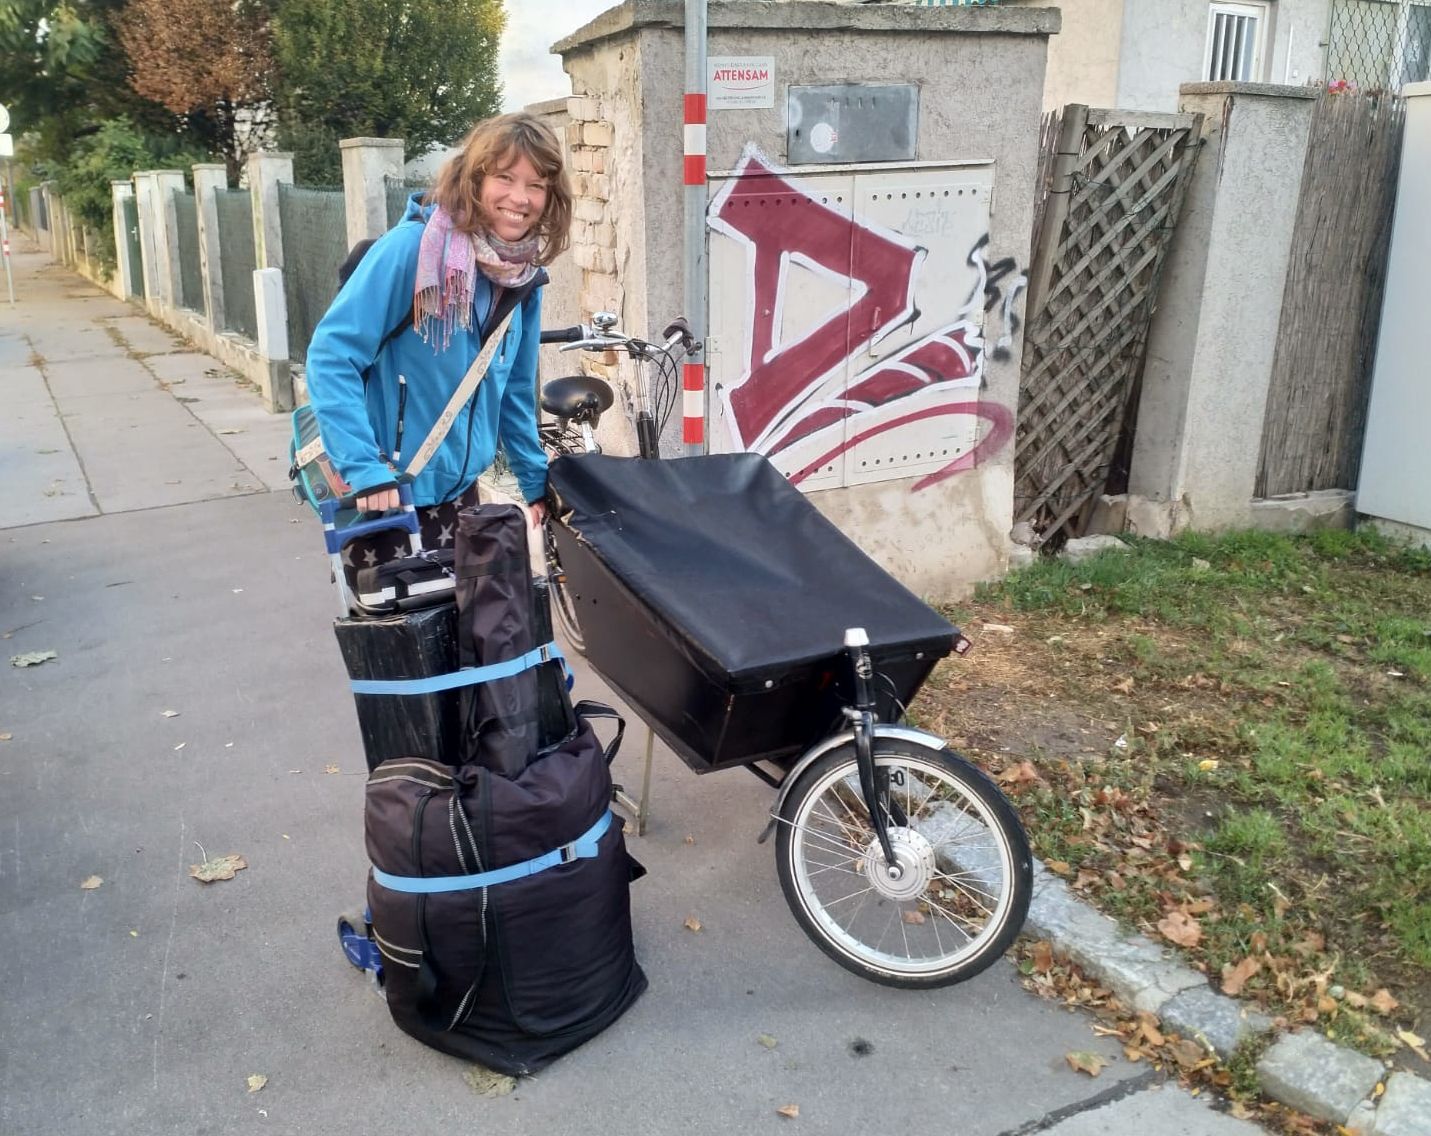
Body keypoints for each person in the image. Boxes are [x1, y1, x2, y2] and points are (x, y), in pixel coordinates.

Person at [304, 112, 573, 579]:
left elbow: (511, 392)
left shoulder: (524, 279)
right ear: (474, 179)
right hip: (386, 496)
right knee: (399, 647)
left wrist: (534, 480)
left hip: (462, 495)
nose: (520, 198)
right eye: (505, 178)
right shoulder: (409, 251)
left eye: (536, 184)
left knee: (472, 646)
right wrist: (364, 467)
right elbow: (332, 357)